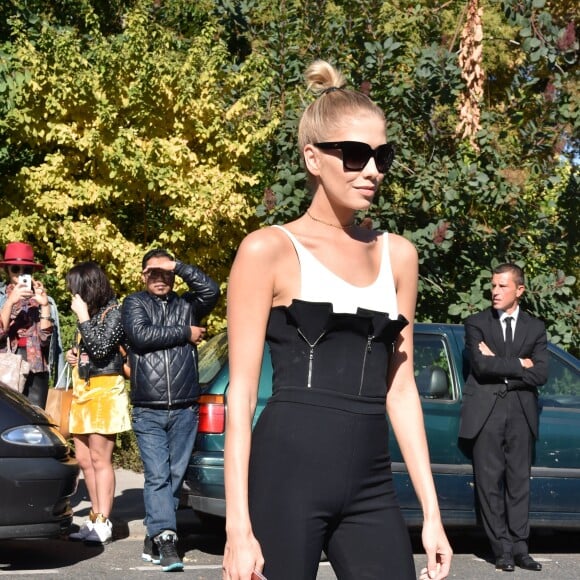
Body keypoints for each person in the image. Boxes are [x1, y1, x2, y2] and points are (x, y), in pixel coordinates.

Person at [222, 60, 452, 580]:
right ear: (312, 158)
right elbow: (239, 394)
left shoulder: (400, 256)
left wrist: (433, 515)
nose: (371, 170)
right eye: (353, 154)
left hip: (372, 484)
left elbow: (402, 391)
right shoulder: (268, 250)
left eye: (381, 155)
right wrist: (239, 528)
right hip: (284, 479)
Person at [122, 249, 220, 572]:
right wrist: (185, 334)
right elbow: (141, 335)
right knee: (158, 475)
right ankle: (166, 539)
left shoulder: (186, 305)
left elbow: (212, 290)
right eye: (154, 273)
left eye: (166, 273)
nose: (160, 279)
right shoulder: (134, 303)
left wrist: (178, 265)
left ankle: (154, 535)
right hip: (148, 409)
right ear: (143, 276)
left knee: (174, 478)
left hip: (184, 408)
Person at [459, 263, 548, 572]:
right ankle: (502, 550)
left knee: (519, 483)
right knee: (489, 484)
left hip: (522, 414)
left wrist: (499, 362)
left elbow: (541, 373)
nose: (494, 291)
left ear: (519, 290)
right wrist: (519, 365)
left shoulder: (535, 328)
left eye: (501, 286)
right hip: (486, 413)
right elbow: (481, 368)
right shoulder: (476, 323)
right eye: (492, 285)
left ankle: (522, 549)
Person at [65, 261, 132, 545]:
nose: (72, 296)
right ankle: (93, 517)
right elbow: (89, 351)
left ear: (88, 289)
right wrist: (73, 354)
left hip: (105, 392)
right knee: (83, 459)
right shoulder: (92, 314)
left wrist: (82, 318)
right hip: (83, 390)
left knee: (99, 459)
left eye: (75, 290)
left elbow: (103, 349)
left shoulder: (116, 312)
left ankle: (104, 519)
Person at [0, 242, 55, 407]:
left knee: (34, 424)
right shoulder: (1, 299)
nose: (21, 274)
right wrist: (10, 303)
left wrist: (44, 306)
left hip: (35, 367)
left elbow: (46, 341)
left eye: (27, 270)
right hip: (6, 364)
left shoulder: (43, 299)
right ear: (7, 270)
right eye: (16, 269)